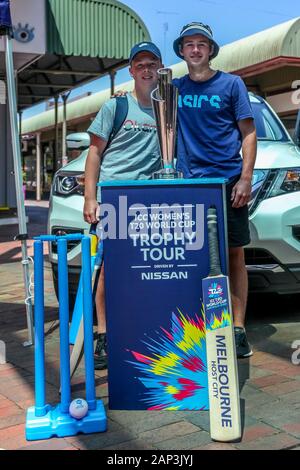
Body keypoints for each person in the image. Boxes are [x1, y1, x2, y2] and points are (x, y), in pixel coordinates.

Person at [172, 22, 257, 358]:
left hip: (227, 181)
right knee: (191, 257)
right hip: (190, 185)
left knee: (235, 254)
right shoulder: (173, 88)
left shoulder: (232, 84)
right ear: (182, 50)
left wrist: (245, 178)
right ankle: (198, 328)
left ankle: (237, 329)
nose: (195, 50)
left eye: (201, 44)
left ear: (211, 49)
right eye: (189, 44)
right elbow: (149, 106)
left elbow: (248, 134)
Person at [83, 42, 163, 369]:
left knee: (146, 268)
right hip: (114, 200)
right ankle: (104, 333)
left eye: (151, 64)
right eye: (139, 64)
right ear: (131, 71)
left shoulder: (167, 107)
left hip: (151, 202)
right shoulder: (115, 107)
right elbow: (94, 153)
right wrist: (90, 198)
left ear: (160, 68)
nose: (146, 69)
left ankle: (141, 329)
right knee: (108, 269)